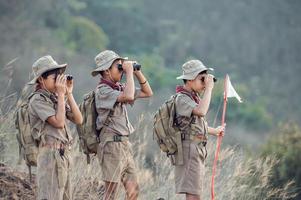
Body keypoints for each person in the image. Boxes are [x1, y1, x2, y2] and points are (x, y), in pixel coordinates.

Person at [91, 50, 153, 200]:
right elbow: (129, 96)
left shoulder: (119, 87)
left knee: (133, 192)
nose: (122, 70)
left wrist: (137, 72)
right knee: (111, 193)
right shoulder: (103, 90)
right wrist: (130, 73)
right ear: (106, 71)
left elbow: (148, 92)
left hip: (124, 144)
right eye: (118, 67)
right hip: (111, 144)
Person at [28, 55, 83, 200]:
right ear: (41, 79)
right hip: (50, 156)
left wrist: (68, 93)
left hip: (63, 154)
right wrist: (60, 93)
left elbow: (78, 119)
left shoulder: (55, 98)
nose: (59, 80)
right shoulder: (37, 100)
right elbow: (59, 122)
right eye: (55, 77)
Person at [174, 59, 225, 200]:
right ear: (189, 80)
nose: (204, 82)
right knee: (193, 196)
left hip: (195, 149)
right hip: (189, 150)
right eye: (201, 78)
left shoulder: (193, 97)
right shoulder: (182, 99)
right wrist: (209, 88)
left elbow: (194, 125)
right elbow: (201, 111)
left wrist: (215, 131)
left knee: (196, 193)